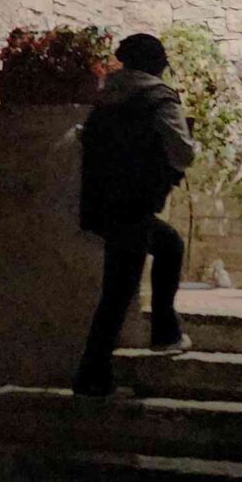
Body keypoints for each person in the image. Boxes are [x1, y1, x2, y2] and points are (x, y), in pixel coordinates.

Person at [73, 33, 195, 397]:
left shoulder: (105, 97)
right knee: (118, 291)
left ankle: (164, 331)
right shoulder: (159, 98)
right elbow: (182, 152)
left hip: (101, 204)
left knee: (168, 245)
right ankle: (91, 376)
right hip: (135, 204)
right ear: (158, 64)